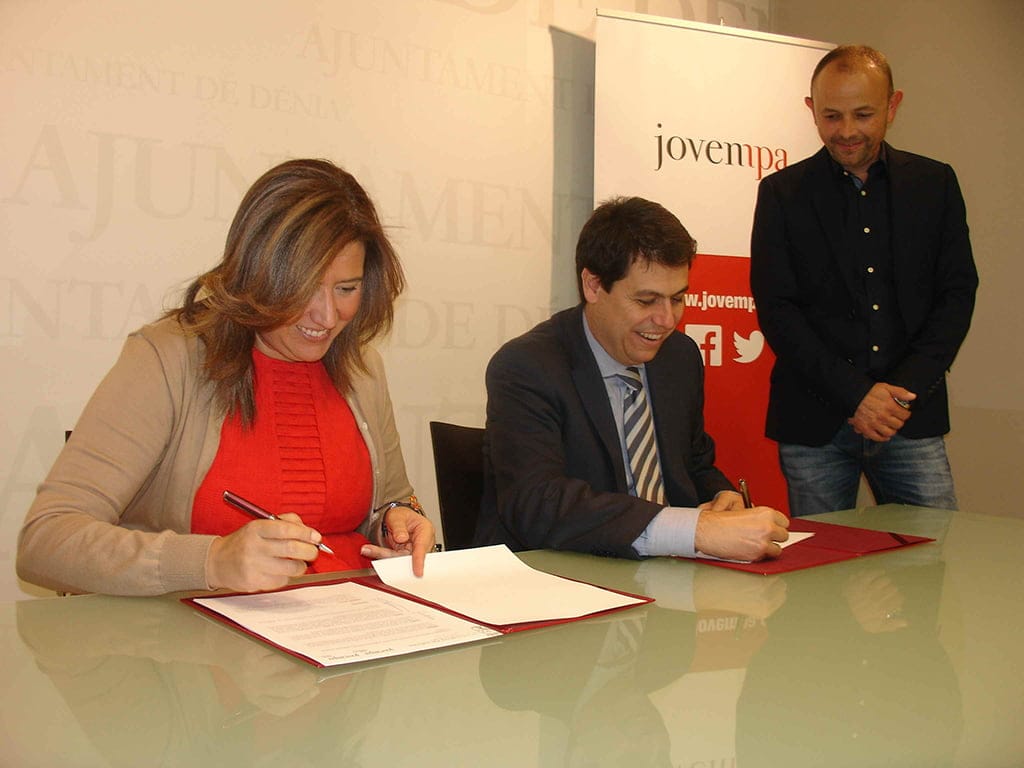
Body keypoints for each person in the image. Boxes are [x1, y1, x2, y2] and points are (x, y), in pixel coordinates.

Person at [17, 158, 434, 596]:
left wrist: (395, 524)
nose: (327, 316)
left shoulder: (362, 368)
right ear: (256, 275)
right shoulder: (169, 357)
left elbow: (392, 500)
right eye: (303, 289)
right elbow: (45, 541)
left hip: (347, 637)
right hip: (196, 649)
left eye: (346, 289)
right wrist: (211, 562)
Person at [476, 196, 789, 561]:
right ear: (593, 286)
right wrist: (695, 530)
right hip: (560, 577)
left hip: (669, 583)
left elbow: (695, 463)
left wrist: (723, 498)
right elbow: (537, 504)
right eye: (646, 300)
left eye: (677, 299)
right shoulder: (528, 366)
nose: (667, 320)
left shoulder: (680, 357)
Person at [749, 45, 978, 517]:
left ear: (892, 106)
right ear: (812, 110)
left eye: (863, 114)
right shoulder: (781, 194)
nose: (847, 131)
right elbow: (778, 310)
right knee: (818, 568)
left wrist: (894, 397)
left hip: (910, 419)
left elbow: (956, 296)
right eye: (832, 116)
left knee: (933, 559)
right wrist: (856, 395)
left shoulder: (935, 184)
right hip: (813, 424)